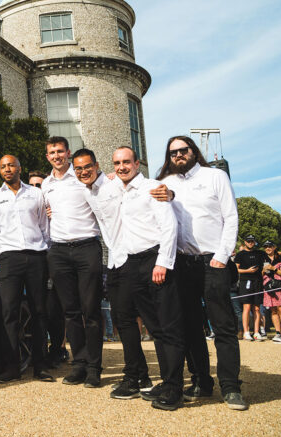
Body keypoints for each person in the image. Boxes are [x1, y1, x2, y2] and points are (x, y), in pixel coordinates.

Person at [156, 135, 246, 410]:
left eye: (183, 150)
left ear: (193, 151)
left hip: (213, 260)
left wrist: (222, 256)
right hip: (182, 263)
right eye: (173, 153)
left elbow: (231, 217)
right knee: (190, 327)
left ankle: (231, 387)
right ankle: (201, 381)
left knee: (223, 326)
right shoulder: (166, 183)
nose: (178, 155)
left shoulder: (215, 176)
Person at [108, 147, 185, 410]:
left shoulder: (153, 187)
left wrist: (163, 262)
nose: (121, 167)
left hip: (155, 259)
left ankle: (174, 388)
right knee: (154, 327)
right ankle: (166, 381)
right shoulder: (118, 189)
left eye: (126, 162)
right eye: (117, 163)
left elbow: (169, 226)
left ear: (137, 163)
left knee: (168, 326)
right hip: (132, 264)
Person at [71, 148, 152, 396]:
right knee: (122, 321)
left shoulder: (114, 184)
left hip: (134, 258)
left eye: (88, 166)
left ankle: (157, 379)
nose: (84, 172)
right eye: (78, 168)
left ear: (97, 166)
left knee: (147, 321)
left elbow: (142, 188)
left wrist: (169, 193)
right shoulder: (87, 192)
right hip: (115, 260)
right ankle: (140, 376)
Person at [0, 155, 52, 383]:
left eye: (11, 165)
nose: (7, 169)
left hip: (36, 256)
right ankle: (12, 367)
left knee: (39, 311)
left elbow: (45, 228)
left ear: (19, 168)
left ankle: (40, 366)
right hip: (9, 258)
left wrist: (48, 255)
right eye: (2, 166)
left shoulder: (36, 194)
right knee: (9, 313)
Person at [41, 136, 104, 387]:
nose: (56, 155)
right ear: (47, 156)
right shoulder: (45, 184)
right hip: (58, 251)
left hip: (87, 246)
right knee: (70, 312)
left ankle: (94, 368)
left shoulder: (83, 176)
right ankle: (79, 365)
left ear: (68, 153)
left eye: (60, 151)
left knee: (91, 311)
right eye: (52, 152)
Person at [234, 235, 268, 341]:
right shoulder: (240, 254)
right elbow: (236, 269)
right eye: (248, 241)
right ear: (245, 242)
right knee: (247, 307)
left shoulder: (260, 253)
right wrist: (248, 271)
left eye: (252, 241)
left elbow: (269, 260)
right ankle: (246, 332)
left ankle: (256, 332)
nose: (250, 243)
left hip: (258, 282)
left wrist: (263, 271)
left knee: (257, 308)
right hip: (245, 282)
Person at [261, 241, 281, 342]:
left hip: (279, 285)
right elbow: (260, 275)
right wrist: (263, 271)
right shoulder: (262, 258)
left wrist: (273, 269)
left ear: (274, 247)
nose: (268, 248)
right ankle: (278, 333)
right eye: (266, 247)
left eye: (270, 246)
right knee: (273, 310)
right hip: (268, 286)